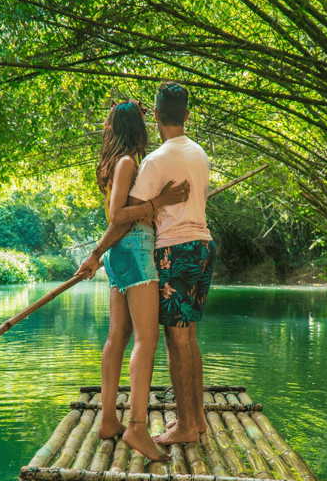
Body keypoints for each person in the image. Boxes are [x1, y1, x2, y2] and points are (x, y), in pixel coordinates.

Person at [78, 82, 216, 446]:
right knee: (177, 337)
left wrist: (97, 254)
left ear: (156, 116)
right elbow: (121, 214)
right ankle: (184, 421)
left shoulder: (149, 161)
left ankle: (180, 424)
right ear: (186, 115)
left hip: (171, 250)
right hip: (192, 247)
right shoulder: (196, 153)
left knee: (164, 337)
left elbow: (121, 216)